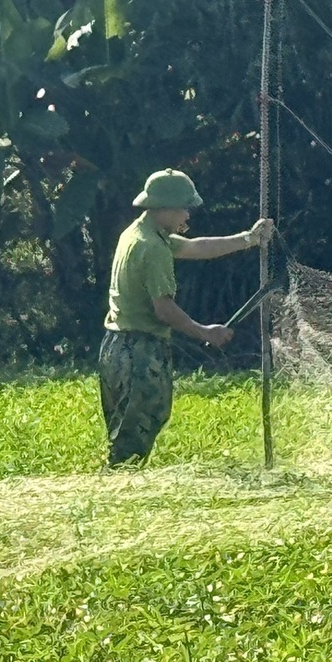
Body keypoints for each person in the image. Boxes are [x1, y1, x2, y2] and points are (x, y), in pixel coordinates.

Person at [100, 169, 275, 465]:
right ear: (165, 208)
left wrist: (249, 239)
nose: (187, 216)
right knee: (136, 433)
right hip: (139, 352)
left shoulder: (138, 233)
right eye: (184, 208)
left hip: (116, 348)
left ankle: (120, 482)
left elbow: (197, 246)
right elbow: (164, 309)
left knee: (126, 428)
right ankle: (121, 489)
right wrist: (206, 332)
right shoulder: (153, 248)